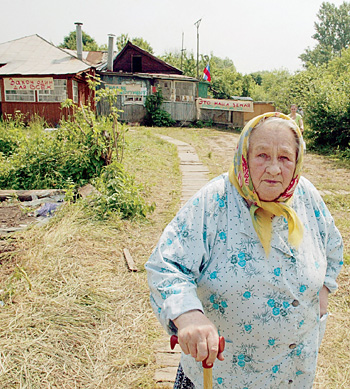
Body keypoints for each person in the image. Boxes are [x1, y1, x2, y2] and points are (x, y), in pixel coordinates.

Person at [145, 112, 343, 388]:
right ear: (244, 157)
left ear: (297, 162)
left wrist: (322, 294)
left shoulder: (306, 195)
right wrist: (188, 314)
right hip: (225, 375)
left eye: (285, 157)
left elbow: (333, 247)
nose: (274, 168)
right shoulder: (215, 200)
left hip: (293, 372)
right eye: (262, 155)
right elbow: (167, 264)